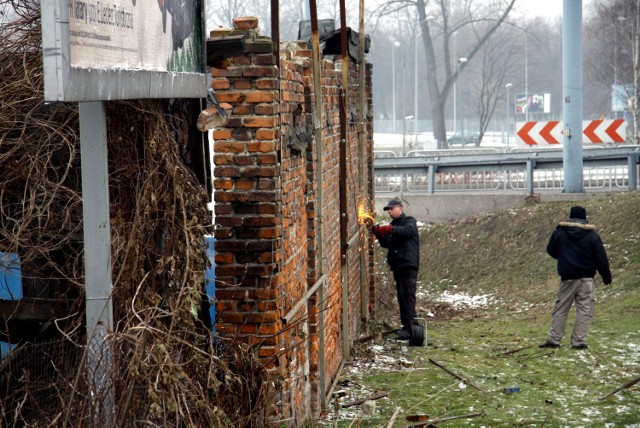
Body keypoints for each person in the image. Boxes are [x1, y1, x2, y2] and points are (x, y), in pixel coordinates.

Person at [540, 206, 612, 350]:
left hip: (567, 278)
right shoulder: (592, 235)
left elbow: (551, 250)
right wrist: (606, 277)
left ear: (570, 216)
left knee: (561, 309)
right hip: (587, 279)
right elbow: (601, 258)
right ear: (585, 218)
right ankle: (578, 341)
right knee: (585, 310)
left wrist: (563, 257)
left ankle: (554, 340)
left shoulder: (559, 233)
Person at [371, 198, 420, 340]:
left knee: (408, 296)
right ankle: (406, 326)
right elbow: (388, 243)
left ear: (400, 208)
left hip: (408, 265)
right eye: (388, 210)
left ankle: (412, 327)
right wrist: (379, 234)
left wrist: (389, 229)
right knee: (401, 296)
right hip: (398, 266)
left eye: (392, 209)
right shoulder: (394, 225)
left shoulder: (409, 221)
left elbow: (407, 231)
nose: (390, 212)